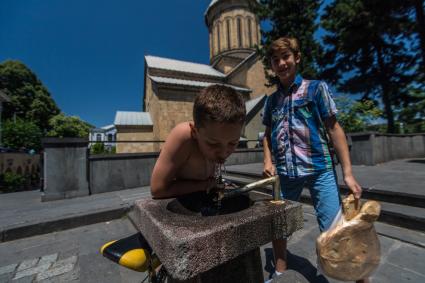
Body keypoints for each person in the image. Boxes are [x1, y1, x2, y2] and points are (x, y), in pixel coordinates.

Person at [262, 37, 368, 283]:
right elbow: (267, 135)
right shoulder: (271, 101)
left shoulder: (315, 89)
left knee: (334, 229)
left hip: (320, 169)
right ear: (272, 65)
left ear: (297, 58)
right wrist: (267, 161)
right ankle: (279, 269)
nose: (281, 63)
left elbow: (334, 129)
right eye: (275, 60)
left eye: (286, 57)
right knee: (279, 222)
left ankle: (360, 278)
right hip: (287, 174)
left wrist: (348, 173)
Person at [151, 84, 246, 199]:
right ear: (195, 132)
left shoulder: (213, 135)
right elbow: (158, 189)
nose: (223, 153)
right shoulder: (184, 137)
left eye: (233, 143)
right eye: (213, 144)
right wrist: (205, 185)